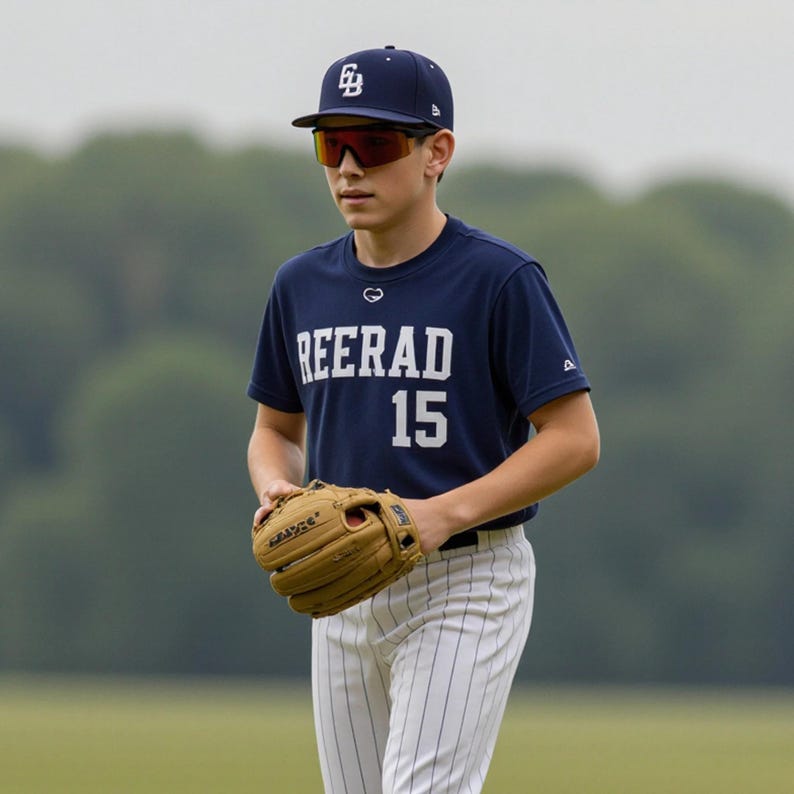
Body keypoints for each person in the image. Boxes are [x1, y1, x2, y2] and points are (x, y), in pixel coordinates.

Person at [247, 45, 600, 794]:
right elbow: (275, 429)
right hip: (340, 578)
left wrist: (440, 514)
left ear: (436, 151)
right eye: (328, 143)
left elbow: (574, 439)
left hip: (466, 577)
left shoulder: (498, 278)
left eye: (372, 144)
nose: (347, 167)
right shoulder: (301, 284)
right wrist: (276, 488)